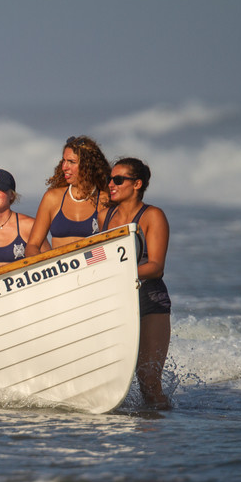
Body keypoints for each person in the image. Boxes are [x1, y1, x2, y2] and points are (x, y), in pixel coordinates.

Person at [102, 157, 172, 410]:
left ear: (137, 184)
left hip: (150, 301)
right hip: (116, 301)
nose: (111, 184)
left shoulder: (153, 215)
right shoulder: (105, 216)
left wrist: (121, 274)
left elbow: (156, 266)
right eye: (110, 179)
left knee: (149, 382)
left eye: (118, 180)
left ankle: (162, 426)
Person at [25, 135, 111, 258]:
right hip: (59, 268)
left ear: (88, 165)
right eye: (64, 161)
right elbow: (32, 246)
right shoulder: (52, 198)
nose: (64, 167)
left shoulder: (104, 199)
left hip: (95, 266)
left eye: (71, 162)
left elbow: (111, 245)